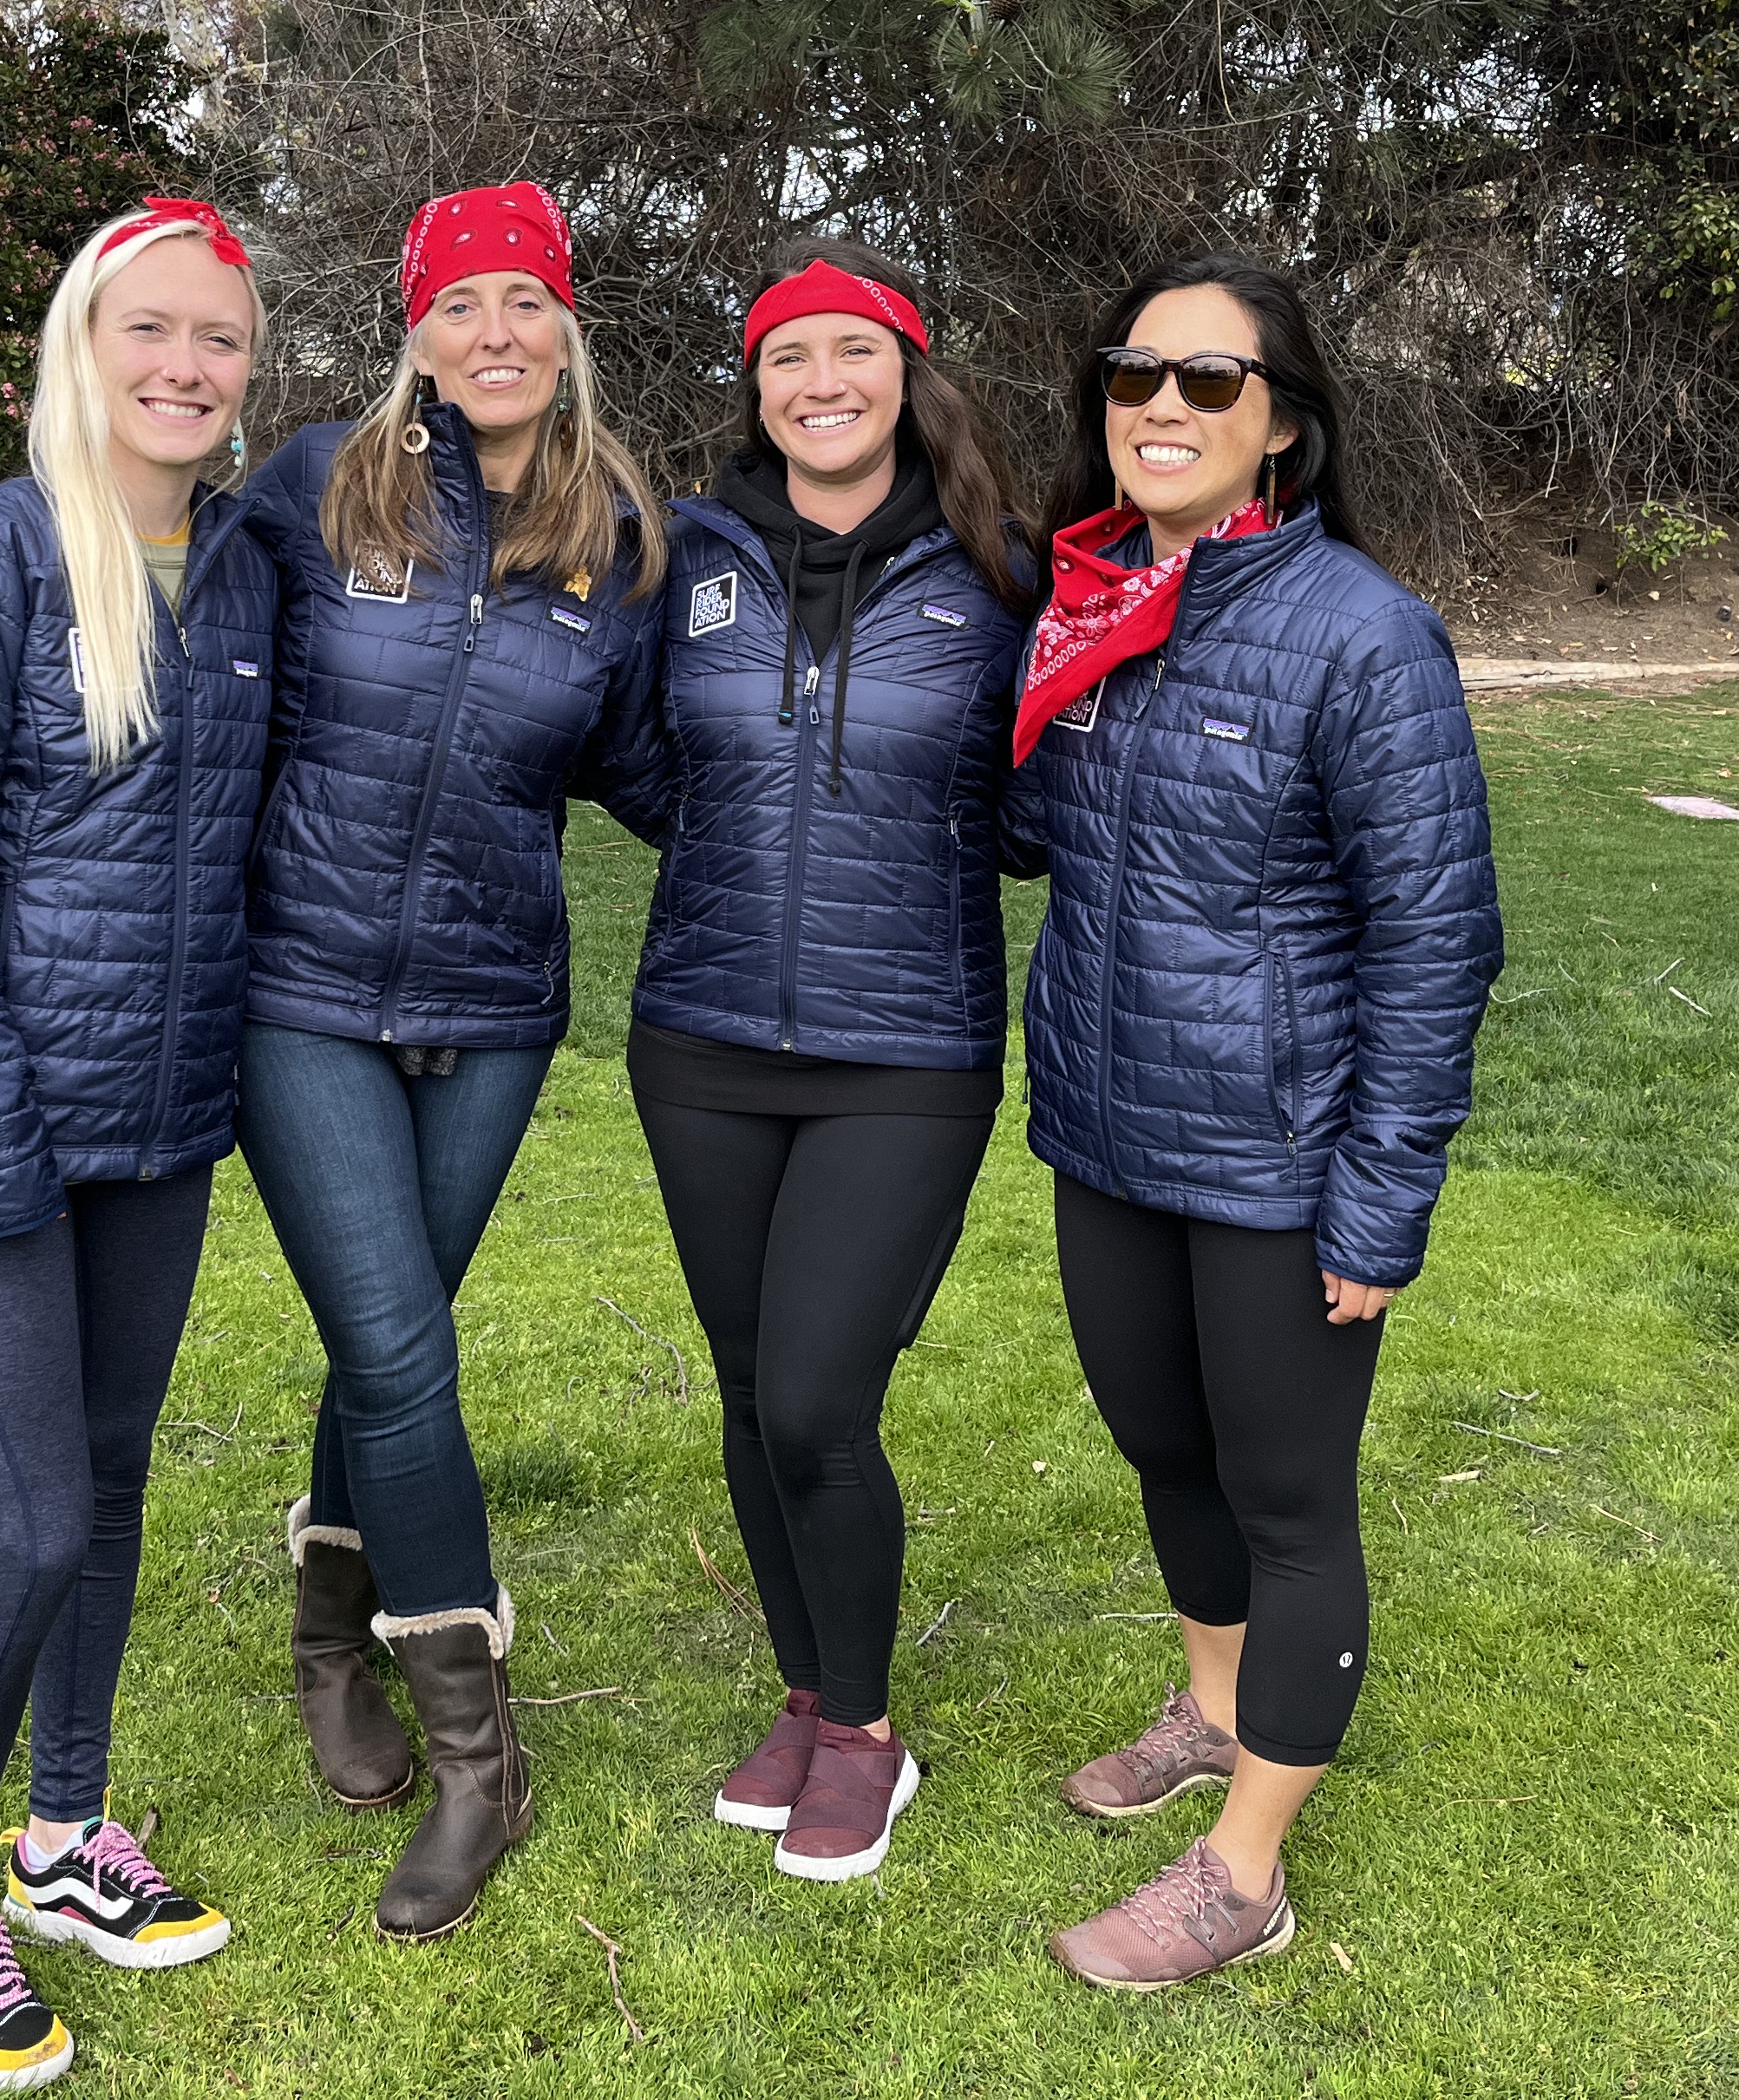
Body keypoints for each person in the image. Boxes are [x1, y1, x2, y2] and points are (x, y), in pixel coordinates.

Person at [1011, 254, 1500, 1991]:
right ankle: (1213, 1707)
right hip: (1107, 1127)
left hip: (1277, 1158)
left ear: (1281, 424)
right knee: (1165, 1450)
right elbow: (1034, 835)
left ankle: (1245, 1870)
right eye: (1133, 372)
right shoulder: (1086, 604)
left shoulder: (1363, 635)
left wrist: (1381, 1200)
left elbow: (1438, 938)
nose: (1162, 405)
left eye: (1208, 382)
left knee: (1287, 1503)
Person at [0, 198, 277, 2088]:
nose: (185, 365)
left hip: (155, 1133)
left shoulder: (245, 570)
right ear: (81, 347)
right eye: (148, 330)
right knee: (24, 1528)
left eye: (220, 338)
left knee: (104, 1484)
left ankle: (65, 1836)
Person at [237, 181, 671, 1941]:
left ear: (566, 326)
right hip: (302, 988)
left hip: (492, 1006)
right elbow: (173, 620)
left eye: (527, 301)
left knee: (384, 1333)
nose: (497, 331)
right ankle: (483, 1762)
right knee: (405, 1349)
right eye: (462, 303)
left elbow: (653, 761)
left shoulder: (617, 534)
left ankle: (328, 1639)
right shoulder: (318, 485)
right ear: (415, 331)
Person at [618, 237, 1036, 1882]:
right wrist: (744, 834)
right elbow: (638, 754)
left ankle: (866, 1734)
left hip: (906, 1048)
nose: (821, 383)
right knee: (746, 1389)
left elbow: (1037, 799)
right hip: (703, 1037)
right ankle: (806, 1694)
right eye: (788, 356)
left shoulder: (999, 569)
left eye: (853, 351)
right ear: (757, 388)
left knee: (815, 1399)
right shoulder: (686, 556)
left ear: (907, 377)